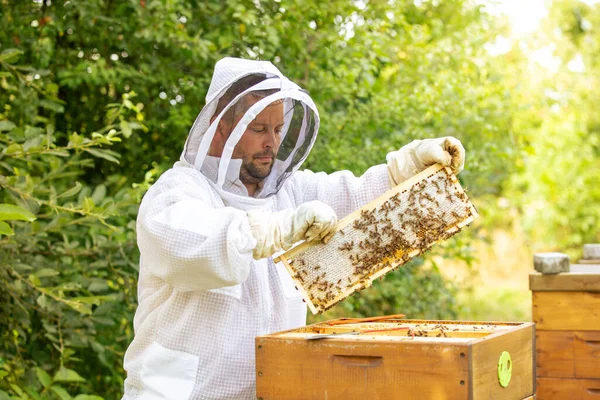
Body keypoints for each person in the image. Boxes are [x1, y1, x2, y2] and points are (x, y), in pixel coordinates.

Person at [121, 57, 465, 400]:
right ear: (222, 127)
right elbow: (193, 243)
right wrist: (277, 229)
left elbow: (357, 197)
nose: (271, 142)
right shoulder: (178, 191)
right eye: (259, 129)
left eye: (277, 130)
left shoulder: (289, 192)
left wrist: (408, 166)